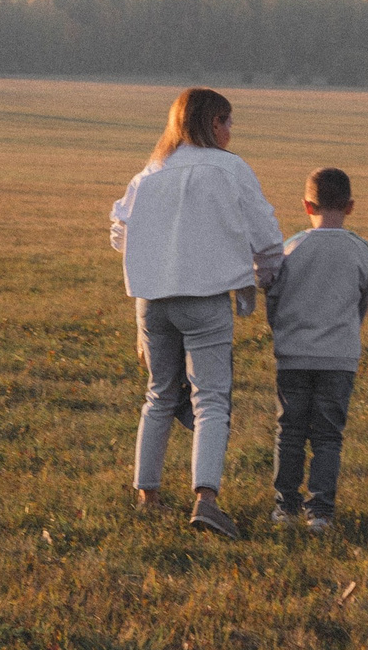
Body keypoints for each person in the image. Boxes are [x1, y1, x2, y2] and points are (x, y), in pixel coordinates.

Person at [108, 87, 282, 537]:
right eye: (227, 122)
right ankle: (205, 499)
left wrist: (160, 251)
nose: (230, 132)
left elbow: (119, 234)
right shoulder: (230, 168)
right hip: (204, 298)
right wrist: (266, 277)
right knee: (211, 399)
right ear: (212, 123)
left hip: (151, 301)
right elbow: (266, 236)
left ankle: (147, 495)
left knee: (159, 394)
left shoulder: (151, 171)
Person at [265, 166, 368, 531]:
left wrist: (284, 334)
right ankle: (321, 512)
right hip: (339, 357)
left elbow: (274, 299)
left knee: (290, 432)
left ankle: (286, 508)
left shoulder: (292, 248)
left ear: (306, 205)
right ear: (350, 206)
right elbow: (363, 300)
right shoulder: (361, 250)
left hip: (293, 355)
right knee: (328, 436)